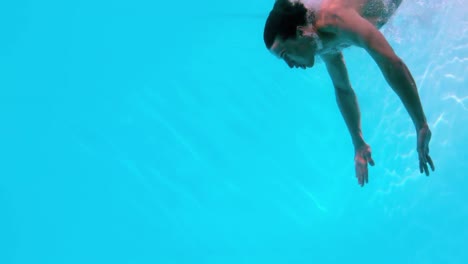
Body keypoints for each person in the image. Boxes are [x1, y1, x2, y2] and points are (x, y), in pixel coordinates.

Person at [263, 0, 435, 186]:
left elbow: (390, 63)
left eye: (284, 55)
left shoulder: (335, 19)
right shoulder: (317, 40)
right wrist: (358, 142)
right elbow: (343, 89)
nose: (289, 65)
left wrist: (420, 123)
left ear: (299, 33)